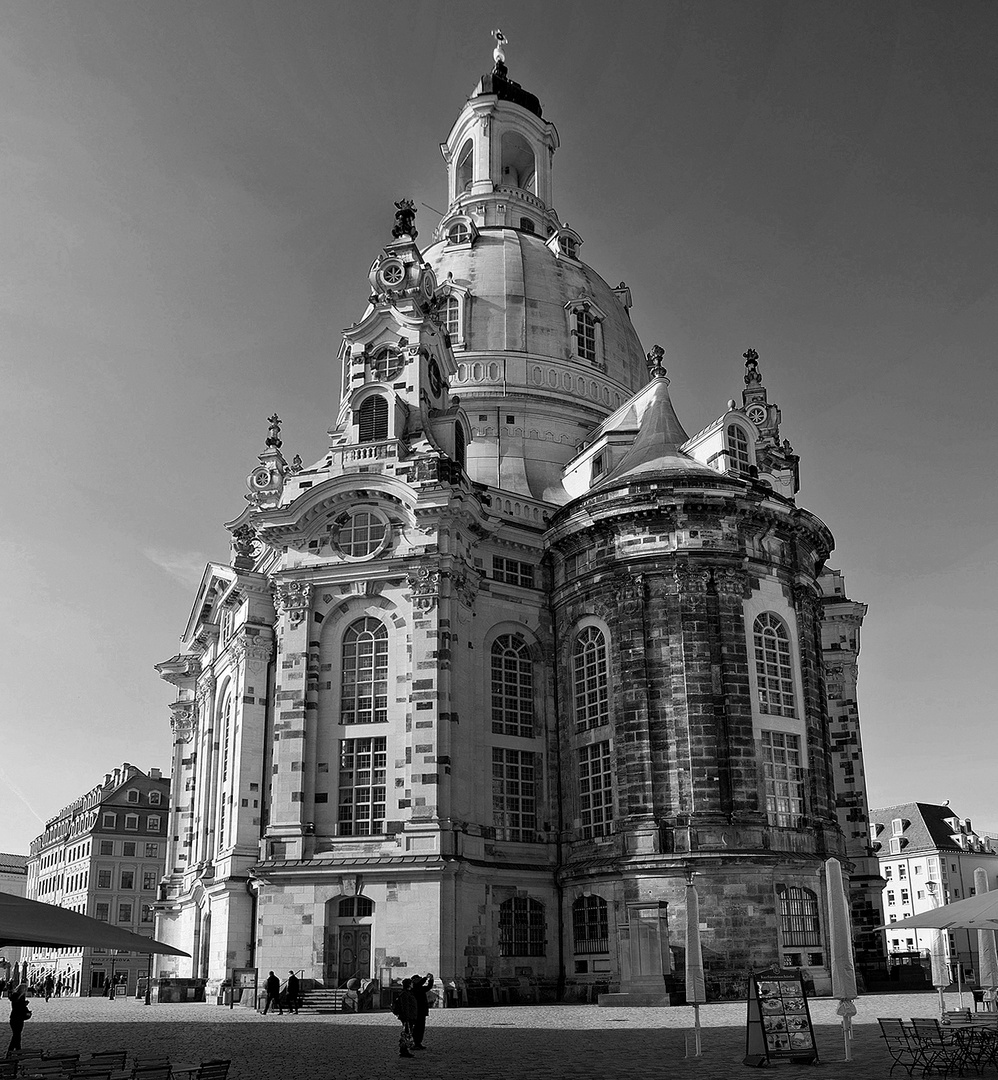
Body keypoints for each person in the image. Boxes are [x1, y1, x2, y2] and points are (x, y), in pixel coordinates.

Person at [391, 979, 417, 1058]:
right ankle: (403, 1050)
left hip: (410, 1016)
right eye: (411, 983)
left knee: (407, 1033)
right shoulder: (405, 994)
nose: (412, 985)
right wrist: (407, 1017)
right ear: (409, 984)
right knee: (406, 1033)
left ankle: (404, 1049)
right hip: (407, 1017)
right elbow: (405, 1007)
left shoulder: (408, 993)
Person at [410, 973, 434, 1050]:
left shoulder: (420, 988)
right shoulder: (414, 988)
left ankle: (418, 1043)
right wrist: (425, 978)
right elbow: (418, 984)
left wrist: (431, 980)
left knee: (421, 1028)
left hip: (422, 1011)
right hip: (415, 1011)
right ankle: (414, 1043)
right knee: (415, 1028)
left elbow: (429, 987)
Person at [7, 984, 31, 1057]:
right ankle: (10, 1052)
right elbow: (20, 1008)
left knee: (17, 1036)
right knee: (16, 1036)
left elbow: (17, 1006)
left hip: (14, 1018)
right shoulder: (20, 997)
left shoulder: (15, 996)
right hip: (18, 1018)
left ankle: (18, 1051)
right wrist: (25, 1006)